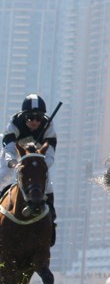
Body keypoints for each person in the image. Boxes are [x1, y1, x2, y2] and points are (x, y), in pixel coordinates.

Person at [1, 94, 58, 245]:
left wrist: (38, 164)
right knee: (4, 176)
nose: (34, 122)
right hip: (15, 156)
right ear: (24, 116)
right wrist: (13, 163)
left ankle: (52, 221)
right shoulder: (15, 123)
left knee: (47, 185)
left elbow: (50, 156)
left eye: (38, 117)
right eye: (30, 117)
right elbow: (10, 149)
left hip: (38, 159)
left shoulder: (49, 126)